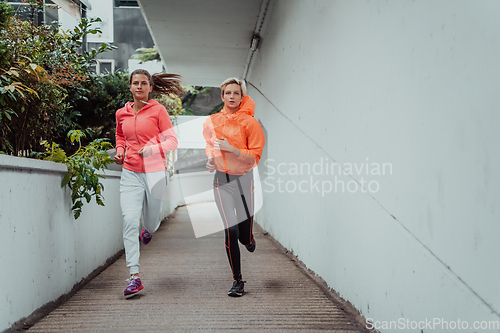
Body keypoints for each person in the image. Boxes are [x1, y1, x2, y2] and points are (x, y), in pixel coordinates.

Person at [114, 69, 183, 296]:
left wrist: (153, 148)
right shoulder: (121, 114)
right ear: (130, 87)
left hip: (155, 171)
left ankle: (150, 230)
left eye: (144, 83)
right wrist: (120, 151)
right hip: (130, 172)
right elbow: (121, 136)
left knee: (151, 222)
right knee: (130, 220)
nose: (140, 87)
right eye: (136, 83)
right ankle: (134, 276)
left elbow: (172, 141)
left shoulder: (158, 111)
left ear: (150, 87)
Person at [203, 78, 265, 297]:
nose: (231, 96)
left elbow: (255, 157)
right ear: (222, 96)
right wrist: (211, 159)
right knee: (230, 230)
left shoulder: (251, 123)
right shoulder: (212, 121)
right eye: (227, 93)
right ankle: (237, 281)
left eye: (236, 93)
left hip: (244, 182)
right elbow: (210, 145)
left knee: (243, 235)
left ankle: (249, 238)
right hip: (222, 181)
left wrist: (234, 149)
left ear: (242, 97)